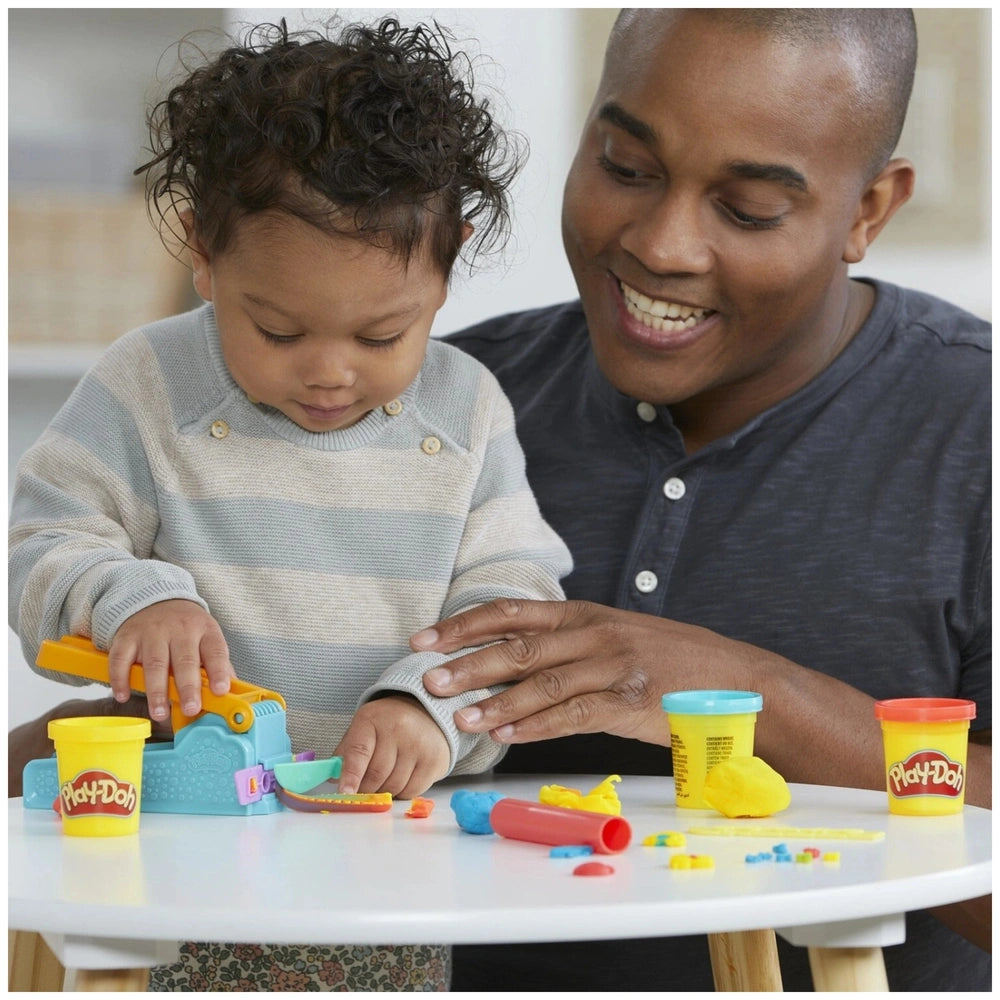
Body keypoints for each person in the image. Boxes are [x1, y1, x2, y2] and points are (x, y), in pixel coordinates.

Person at [407, 8, 991, 992]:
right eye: (626, 168)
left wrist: (753, 698)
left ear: (868, 210)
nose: (663, 245)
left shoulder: (976, 428)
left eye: (749, 208)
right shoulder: (441, 407)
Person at [7, 17, 570, 991]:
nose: (327, 372)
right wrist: (132, 596)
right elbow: (43, 543)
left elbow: (514, 602)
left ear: (449, 264)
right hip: (173, 838)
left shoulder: (468, 409)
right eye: (274, 327)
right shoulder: (148, 381)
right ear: (204, 253)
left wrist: (424, 707)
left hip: (385, 849)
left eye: (382, 331)